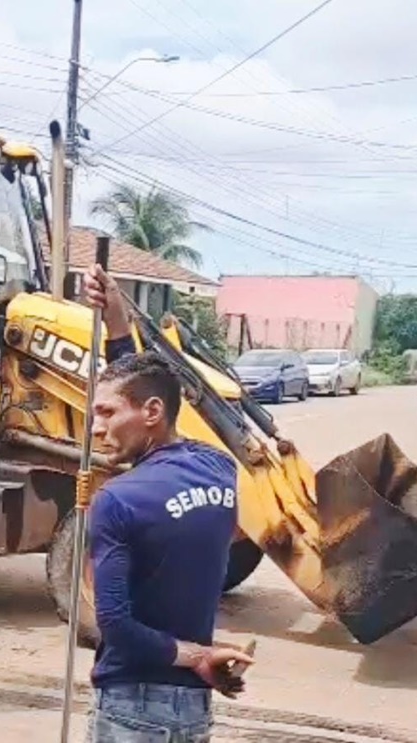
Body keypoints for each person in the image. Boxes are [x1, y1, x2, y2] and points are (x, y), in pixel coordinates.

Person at [80, 263, 255, 743]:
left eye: (107, 413)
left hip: (130, 705)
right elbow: (144, 383)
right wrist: (118, 325)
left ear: (153, 413)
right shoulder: (220, 469)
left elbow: (116, 625)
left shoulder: (117, 500)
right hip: (192, 709)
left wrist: (199, 657)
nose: (96, 428)